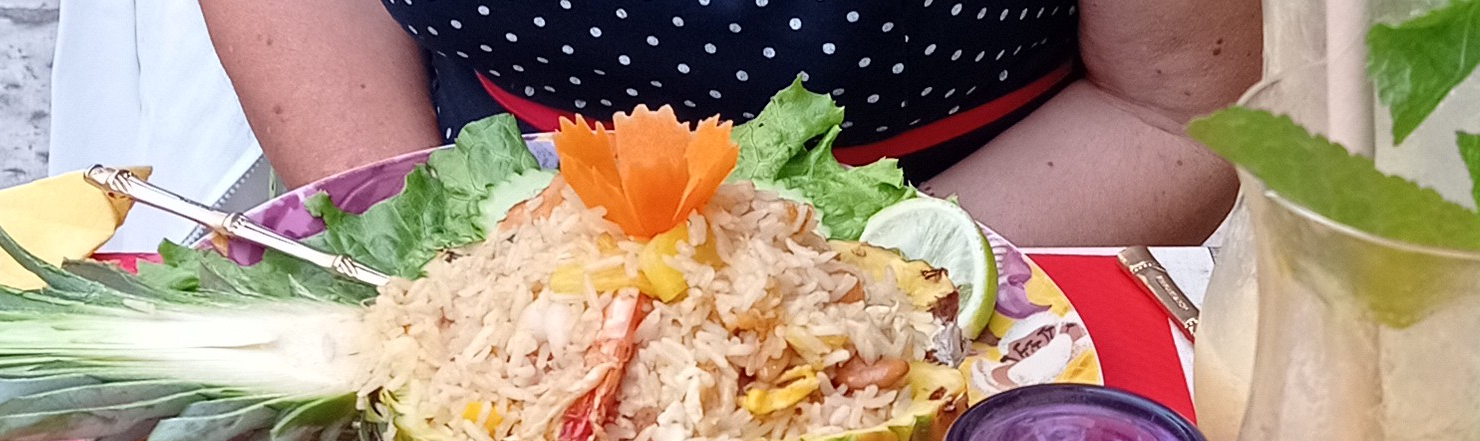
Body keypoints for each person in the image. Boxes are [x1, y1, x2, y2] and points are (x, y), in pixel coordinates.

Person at [196, 0, 1258, 246]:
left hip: (977, 240)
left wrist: (834, 296)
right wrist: (417, 238)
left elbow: (1174, 112)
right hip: (466, 194)